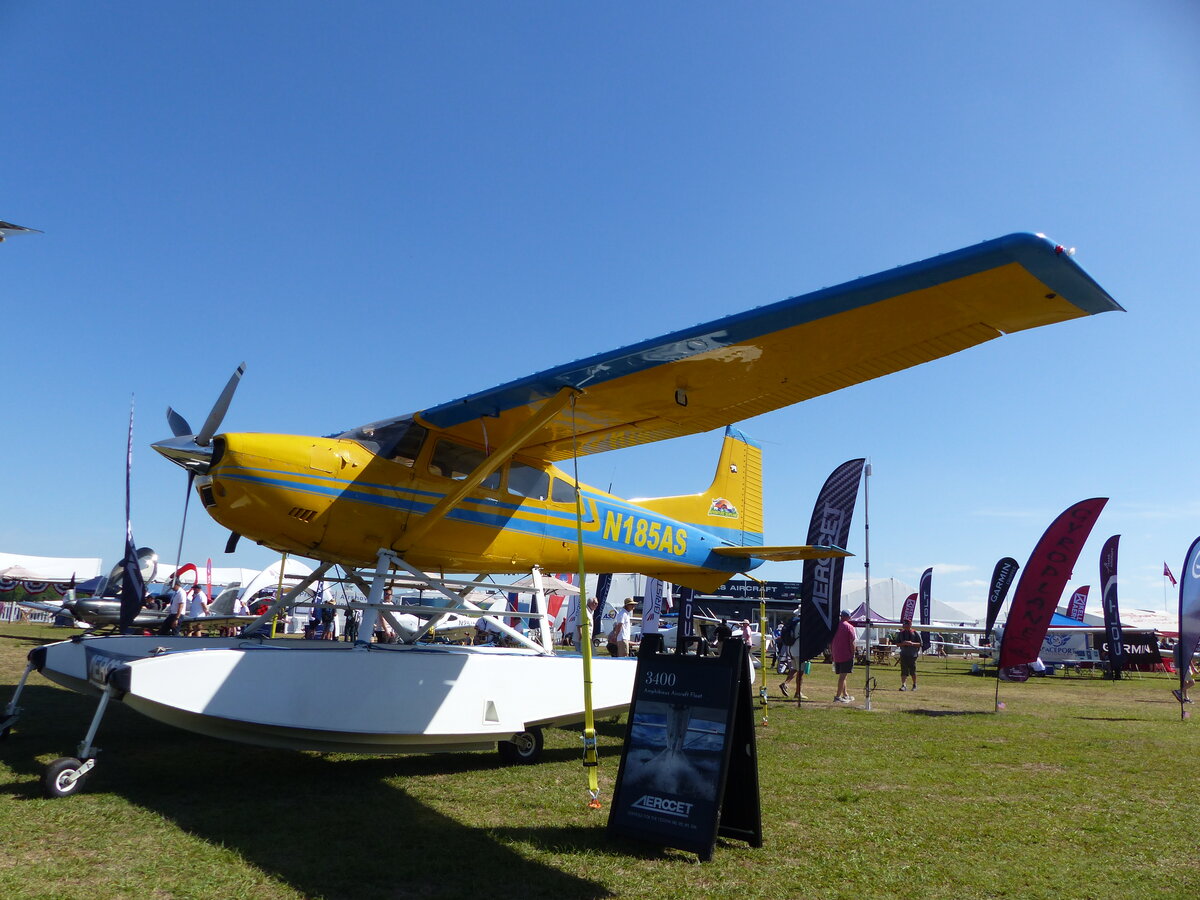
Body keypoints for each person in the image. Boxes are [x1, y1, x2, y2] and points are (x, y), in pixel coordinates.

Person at [779, 607, 810, 701]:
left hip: (791, 649)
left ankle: (787, 683)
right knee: (800, 673)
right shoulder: (803, 624)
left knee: (795, 669)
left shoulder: (794, 623)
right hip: (800, 650)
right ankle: (797, 692)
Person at [831, 608, 856, 703]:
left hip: (836, 654)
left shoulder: (834, 627)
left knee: (843, 675)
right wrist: (853, 652)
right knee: (843, 676)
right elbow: (852, 642)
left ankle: (845, 694)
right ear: (848, 617)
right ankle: (837, 696)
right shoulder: (849, 627)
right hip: (846, 654)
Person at [896, 617, 921, 691]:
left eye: (906, 624)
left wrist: (912, 643)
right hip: (903, 654)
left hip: (912, 655)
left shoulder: (915, 633)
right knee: (903, 670)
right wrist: (903, 643)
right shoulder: (901, 634)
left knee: (912, 670)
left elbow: (920, 644)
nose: (904, 626)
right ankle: (903, 685)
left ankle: (914, 685)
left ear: (910, 624)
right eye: (904, 624)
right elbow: (897, 644)